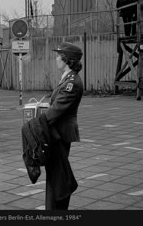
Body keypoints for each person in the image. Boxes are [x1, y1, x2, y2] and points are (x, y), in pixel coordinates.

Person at [42, 42, 84, 210]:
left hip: (60, 133)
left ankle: (55, 208)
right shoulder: (67, 78)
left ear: (66, 59)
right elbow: (57, 104)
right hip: (57, 131)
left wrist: (36, 122)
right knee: (54, 174)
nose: (56, 58)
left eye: (59, 56)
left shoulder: (72, 82)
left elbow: (58, 109)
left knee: (57, 176)